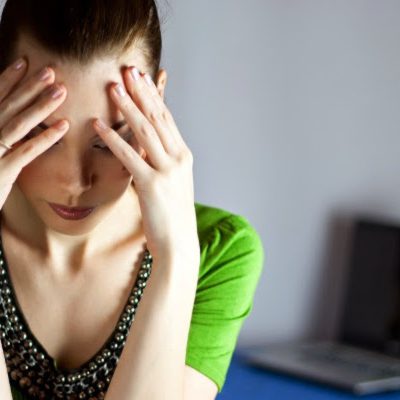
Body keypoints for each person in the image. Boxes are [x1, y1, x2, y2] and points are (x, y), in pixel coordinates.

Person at [0, 0, 265, 399]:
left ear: (156, 99)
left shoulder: (219, 249)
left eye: (109, 141)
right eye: (44, 136)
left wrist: (176, 259)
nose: (77, 182)